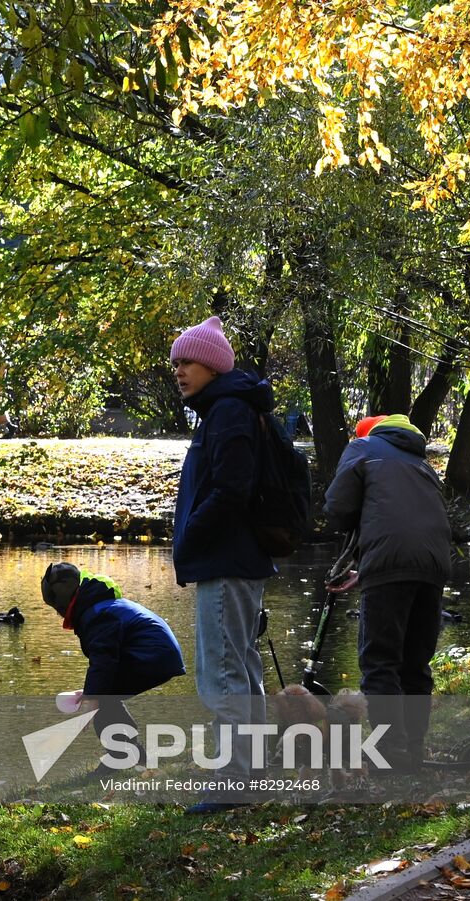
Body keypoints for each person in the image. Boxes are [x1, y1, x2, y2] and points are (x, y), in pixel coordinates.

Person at [170, 315, 277, 813]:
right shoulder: (226, 409)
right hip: (233, 557)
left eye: (187, 361)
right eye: (175, 363)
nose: (178, 371)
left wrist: (192, 535)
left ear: (213, 365)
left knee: (225, 671)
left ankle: (236, 779)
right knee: (242, 666)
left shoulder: (229, 410)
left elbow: (230, 489)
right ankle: (249, 770)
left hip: (225, 558)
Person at [323, 413, 451, 773]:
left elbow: (338, 508)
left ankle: (390, 752)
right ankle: (412, 749)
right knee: (415, 662)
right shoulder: (420, 462)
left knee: (380, 662)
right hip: (434, 564)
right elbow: (403, 519)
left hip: (390, 564)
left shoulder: (361, 447)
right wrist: (364, 569)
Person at [40, 563, 185, 765]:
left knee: (102, 702)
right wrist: (92, 691)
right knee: (105, 695)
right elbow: (105, 663)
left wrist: (92, 698)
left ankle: (122, 757)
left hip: (153, 656)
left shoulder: (97, 615)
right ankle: (134, 756)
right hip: (156, 654)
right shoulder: (97, 606)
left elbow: (103, 661)